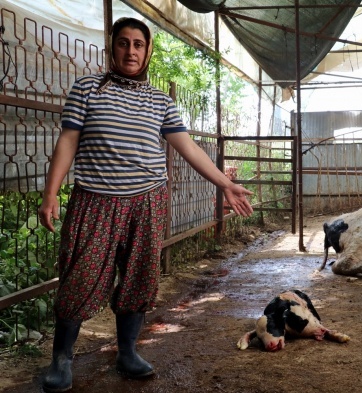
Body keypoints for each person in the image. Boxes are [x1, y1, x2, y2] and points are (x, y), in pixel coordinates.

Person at [37, 17, 253, 393]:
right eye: (123, 43)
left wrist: (224, 184)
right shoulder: (87, 89)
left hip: (147, 201)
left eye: (139, 44)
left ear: (148, 50)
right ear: (112, 47)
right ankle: (61, 358)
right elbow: (68, 142)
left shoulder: (160, 101)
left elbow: (188, 149)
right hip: (95, 199)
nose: (131, 51)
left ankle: (127, 352)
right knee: (80, 276)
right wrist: (51, 193)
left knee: (139, 276)